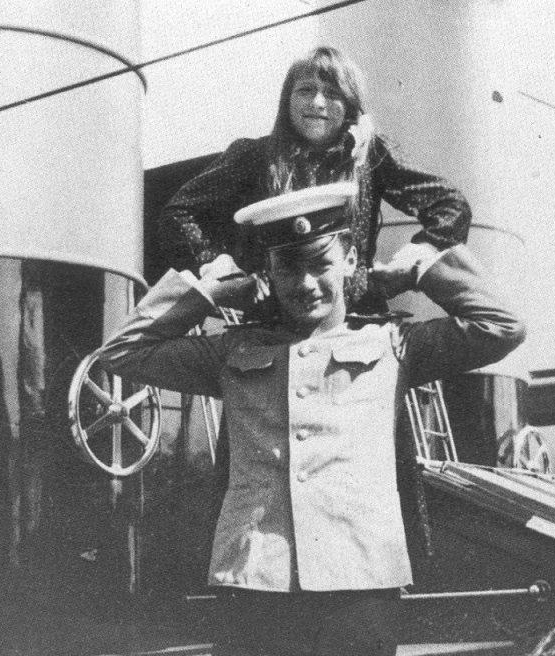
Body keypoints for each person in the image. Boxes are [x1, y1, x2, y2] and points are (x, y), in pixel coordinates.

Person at [99, 183, 525, 655]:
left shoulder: (393, 345)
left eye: (320, 264)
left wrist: (421, 270)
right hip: (255, 578)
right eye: (288, 267)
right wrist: (206, 291)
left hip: (359, 585)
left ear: (349, 259)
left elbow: (503, 326)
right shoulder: (232, 351)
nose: (305, 283)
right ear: (268, 272)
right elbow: (121, 353)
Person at [158, 45, 471, 314]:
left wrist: (415, 257)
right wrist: (218, 265)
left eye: (333, 94)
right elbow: (179, 212)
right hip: (272, 318)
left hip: (352, 317)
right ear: (287, 99)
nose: (317, 102)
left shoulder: (372, 155)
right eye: (305, 90)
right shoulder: (254, 155)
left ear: (350, 106)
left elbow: (450, 205)